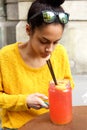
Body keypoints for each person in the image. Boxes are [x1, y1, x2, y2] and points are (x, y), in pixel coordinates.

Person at [0, 0, 74, 129]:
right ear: (29, 30)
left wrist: (61, 88)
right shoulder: (5, 56)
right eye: (43, 41)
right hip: (17, 126)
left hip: (53, 122)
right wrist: (25, 101)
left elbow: (68, 83)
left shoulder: (60, 53)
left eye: (56, 42)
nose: (50, 49)